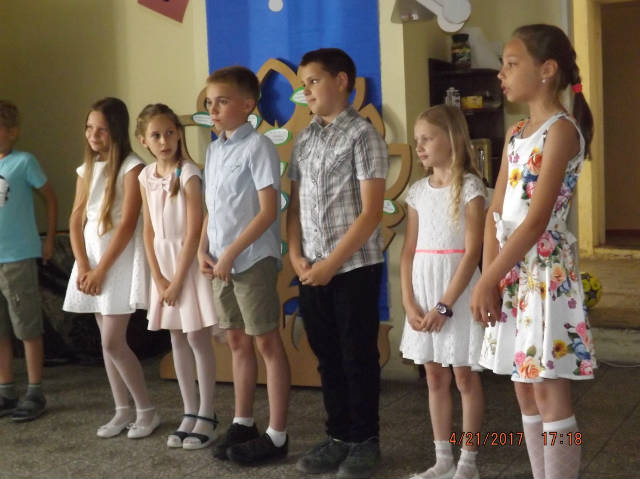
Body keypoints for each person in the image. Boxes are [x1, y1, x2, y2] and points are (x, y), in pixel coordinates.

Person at [471, 24, 596, 479]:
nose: (500, 74)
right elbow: (495, 211)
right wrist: (491, 275)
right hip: (510, 272)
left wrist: (488, 278)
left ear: (546, 70)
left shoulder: (561, 131)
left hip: (543, 272)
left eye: (511, 63)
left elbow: (536, 219)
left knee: (548, 389)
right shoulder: (517, 131)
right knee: (524, 388)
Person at [287, 48, 388, 479]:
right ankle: (339, 436)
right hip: (311, 268)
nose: (306, 91)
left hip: (353, 268)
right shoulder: (304, 139)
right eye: (303, 84)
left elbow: (371, 212)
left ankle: (365, 440)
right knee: (326, 355)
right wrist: (296, 255)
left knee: (356, 354)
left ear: (341, 81)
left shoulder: (362, 135)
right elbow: (294, 207)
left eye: (313, 81)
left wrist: (330, 264)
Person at [198, 66, 291, 465]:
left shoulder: (259, 147)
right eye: (209, 102)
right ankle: (243, 421)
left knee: (266, 341)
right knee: (236, 341)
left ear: (248, 105)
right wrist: (203, 248)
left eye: (221, 101)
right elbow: (213, 208)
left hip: (251, 259)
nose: (213, 109)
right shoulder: (214, 150)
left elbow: (268, 211)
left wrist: (232, 252)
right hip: (220, 262)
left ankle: (278, 433)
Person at [63, 97, 158, 439]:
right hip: (91, 260)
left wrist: (101, 269)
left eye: (101, 129)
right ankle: (122, 410)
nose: (93, 135)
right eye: (89, 128)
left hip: (116, 261)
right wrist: (83, 264)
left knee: (113, 341)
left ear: (116, 130)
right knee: (106, 342)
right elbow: (76, 218)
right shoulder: (86, 169)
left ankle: (146, 410)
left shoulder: (132, 167)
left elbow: (129, 222)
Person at [400, 105, 486, 479]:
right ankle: (442, 460)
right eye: (416, 140)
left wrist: (445, 305)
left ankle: (468, 462)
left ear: (451, 139)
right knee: (435, 377)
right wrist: (409, 302)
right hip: (424, 290)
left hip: (457, 294)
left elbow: (472, 251)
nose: (419, 147)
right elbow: (408, 252)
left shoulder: (470, 188)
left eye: (427, 139)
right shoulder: (418, 192)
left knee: (464, 376)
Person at [137, 103, 221, 449]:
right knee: (177, 339)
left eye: (169, 133)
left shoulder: (188, 174)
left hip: (186, 265)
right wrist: (158, 278)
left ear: (178, 135)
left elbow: (194, 229)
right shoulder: (145, 176)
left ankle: (207, 413)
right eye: (156, 135)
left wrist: (177, 280)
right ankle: (189, 410)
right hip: (164, 267)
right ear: (144, 140)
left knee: (197, 338)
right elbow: (148, 230)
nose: (164, 141)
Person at [0, 100, 57, 422]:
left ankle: (35, 390)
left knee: (27, 325)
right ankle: (6, 389)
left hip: (18, 257)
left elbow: (49, 197)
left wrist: (48, 238)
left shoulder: (23, 162)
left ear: (12, 131)